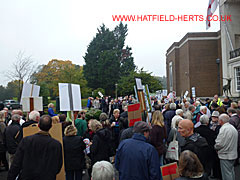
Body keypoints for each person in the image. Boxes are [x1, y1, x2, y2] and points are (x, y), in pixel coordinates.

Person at [7, 115, 63, 180]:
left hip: (28, 176)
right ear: (51, 126)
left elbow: (17, 162)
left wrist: (11, 177)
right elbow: (58, 165)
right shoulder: (56, 144)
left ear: (38, 125)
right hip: (47, 176)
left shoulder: (26, 141)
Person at [215, 114, 238, 180]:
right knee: (231, 172)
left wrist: (215, 147)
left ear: (221, 121)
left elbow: (219, 143)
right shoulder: (232, 128)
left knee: (226, 174)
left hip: (225, 155)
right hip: (232, 153)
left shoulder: (223, 129)